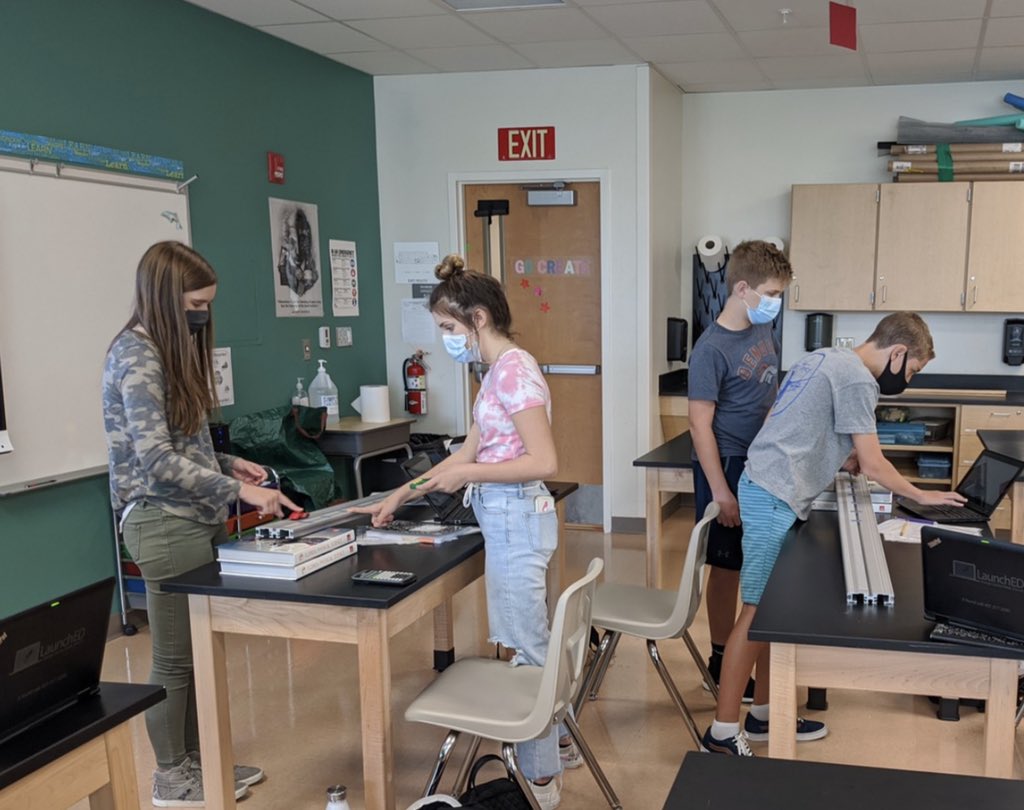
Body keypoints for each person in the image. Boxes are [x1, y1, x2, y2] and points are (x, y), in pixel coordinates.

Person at [352, 254, 565, 808]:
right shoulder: (494, 373)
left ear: (478, 319)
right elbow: (467, 452)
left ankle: (541, 782)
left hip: (518, 514)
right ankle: (556, 750)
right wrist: (401, 493)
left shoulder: (515, 370)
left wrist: (468, 473)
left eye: (449, 329)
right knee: (527, 645)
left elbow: (544, 461)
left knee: (528, 652)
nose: (447, 340)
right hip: (505, 515)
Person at [701, 312, 967, 756]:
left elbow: (789, 419)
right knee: (755, 615)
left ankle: (764, 714)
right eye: (914, 369)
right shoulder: (860, 381)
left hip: (768, 485)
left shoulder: (825, 358)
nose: (909, 379)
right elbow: (876, 463)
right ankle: (722, 733)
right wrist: (923, 496)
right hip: (772, 495)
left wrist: (832, 456)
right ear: (898, 352)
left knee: (773, 612)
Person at [103, 241, 300, 806]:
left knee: (194, 652)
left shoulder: (166, 351)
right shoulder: (136, 358)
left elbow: (180, 448)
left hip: (193, 517)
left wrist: (225, 462)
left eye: (207, 304)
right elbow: (156, 461)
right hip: (164, 523)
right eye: (195, 303)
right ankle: (171, 777)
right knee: (172, 658)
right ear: (166, 298)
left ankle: (199, 762)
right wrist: (241, 489)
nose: (202, 315)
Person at [688, 240, 792, 701]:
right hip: (726, 463)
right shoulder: (711, 349)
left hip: (759, 460)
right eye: (771, 293)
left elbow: (767, 393)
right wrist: (720, 493)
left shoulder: (761, 329)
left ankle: (746, 652)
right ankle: (719, 656)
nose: (776, 302)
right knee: (726, 564)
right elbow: (699, 424)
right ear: (743, 288)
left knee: (756, 561)